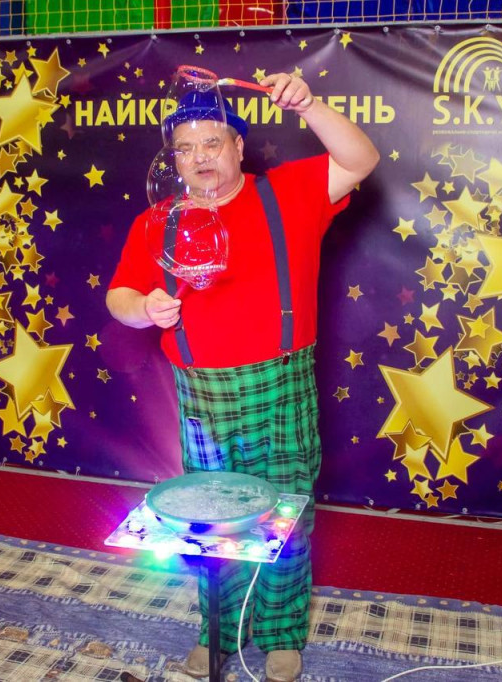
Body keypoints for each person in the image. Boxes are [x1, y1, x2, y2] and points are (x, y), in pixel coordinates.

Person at [106, 72, 379, 682]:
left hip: (281, 387)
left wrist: (310, 105)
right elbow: (118, 296)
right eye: (185, 148)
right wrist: (142, 307)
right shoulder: (157, 220)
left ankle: (281, 635)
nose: (200, 157)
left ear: (237, 144)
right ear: (173, 158)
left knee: (285, 516)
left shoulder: (289, 192)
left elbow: (360, 159)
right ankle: (220, 631)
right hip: (201, 394)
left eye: (212, 142)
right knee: (212, 521)